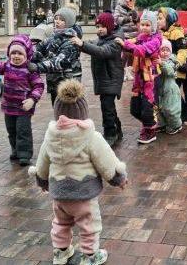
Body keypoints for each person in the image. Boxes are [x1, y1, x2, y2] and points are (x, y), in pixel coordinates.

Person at [29, 80, 127, 265]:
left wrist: (42, 181)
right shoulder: (91, 136)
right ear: (83, 111)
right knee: (89, 225)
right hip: (83, 194)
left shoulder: (50, 136)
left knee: (60, 223)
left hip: (59, 194)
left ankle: (61, 253)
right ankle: (89, 256)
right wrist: (118, 178)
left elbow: (42, 162)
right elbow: (106, 161)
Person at [71, 11, 125, 147]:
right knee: (108, 107)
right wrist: (78, 42)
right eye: (97, 27)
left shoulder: (115, 42)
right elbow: (92, 44)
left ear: (110, 26)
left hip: (111, 80)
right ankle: (117, 129)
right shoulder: (102, 39)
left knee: (107, 108)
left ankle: (110, 134)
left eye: (102, 26)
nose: (99, 29)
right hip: (105, 80)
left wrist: (82, 44)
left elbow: (102, 51)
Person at [0, 34, 45, 166]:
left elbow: (39, 86)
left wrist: (32, 99)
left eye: (20, 53)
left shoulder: (30, 69)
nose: (16, 56)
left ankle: (25, 154)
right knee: (11, 130)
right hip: (8, 106)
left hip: (23, 107)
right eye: (13, 53)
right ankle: (15, 150)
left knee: (23, 130)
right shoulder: (6, 65)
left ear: (27, 55)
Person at [116, 10, 161, 144]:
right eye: (142, 24)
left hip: (150, 78)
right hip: (139, 78)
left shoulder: (156, 40)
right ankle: (149, 125)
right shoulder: (140, 37)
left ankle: (150, 130)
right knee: (135, 108)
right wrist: (122, 42)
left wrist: (125, 44)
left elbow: (142, 50)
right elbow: (131, 42)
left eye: (147, 25)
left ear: (153, 26)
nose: (144, 27)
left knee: (147, 106)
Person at [31, 6, 82, 104]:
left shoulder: (71, 40)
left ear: (69, 22)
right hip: (54, 82)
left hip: (67, 85)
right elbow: (38, 49)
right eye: (56, 18)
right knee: (56, 109)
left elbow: (59, 62)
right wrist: (25, 55)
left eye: (61, 20)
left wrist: (37, 67)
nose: (57, 22)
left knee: (66, 111)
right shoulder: (53, 37)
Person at [154, 39, 183, 135]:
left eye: (167, 50)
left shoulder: (172, 61)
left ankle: (176, 125)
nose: (165, 52)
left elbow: (170, 71)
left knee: (170, 109)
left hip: (170, 89)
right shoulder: (157, 60)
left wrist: (162, 63)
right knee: (160, 108)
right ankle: (163, 124)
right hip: (160, 89)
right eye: (162, 50)